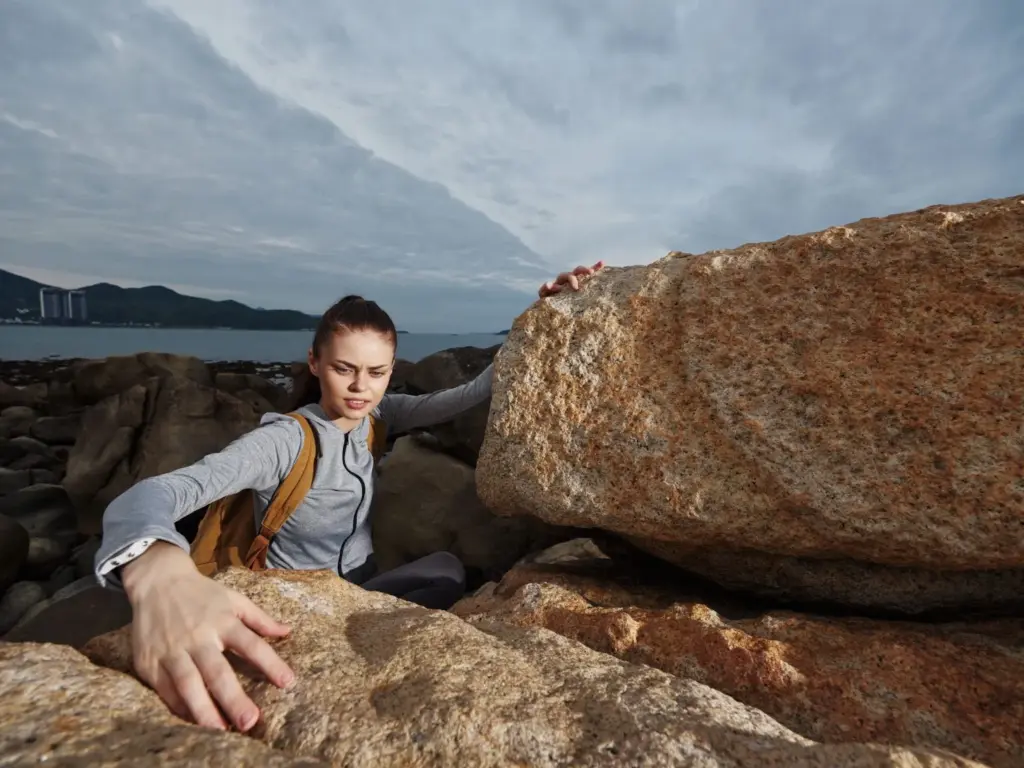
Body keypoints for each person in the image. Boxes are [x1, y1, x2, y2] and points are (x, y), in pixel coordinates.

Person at [92, 261, 603, 734]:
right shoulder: (284, 441)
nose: (361, 387)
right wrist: (157, 570)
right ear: (314, 363)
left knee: (449, 568)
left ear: (391, 369)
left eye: (376, 373)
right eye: (344, 369)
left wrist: (540, 318)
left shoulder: (378, 418)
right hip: (299, 604)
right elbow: (156, 492)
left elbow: (468, 395)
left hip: (360, 589)